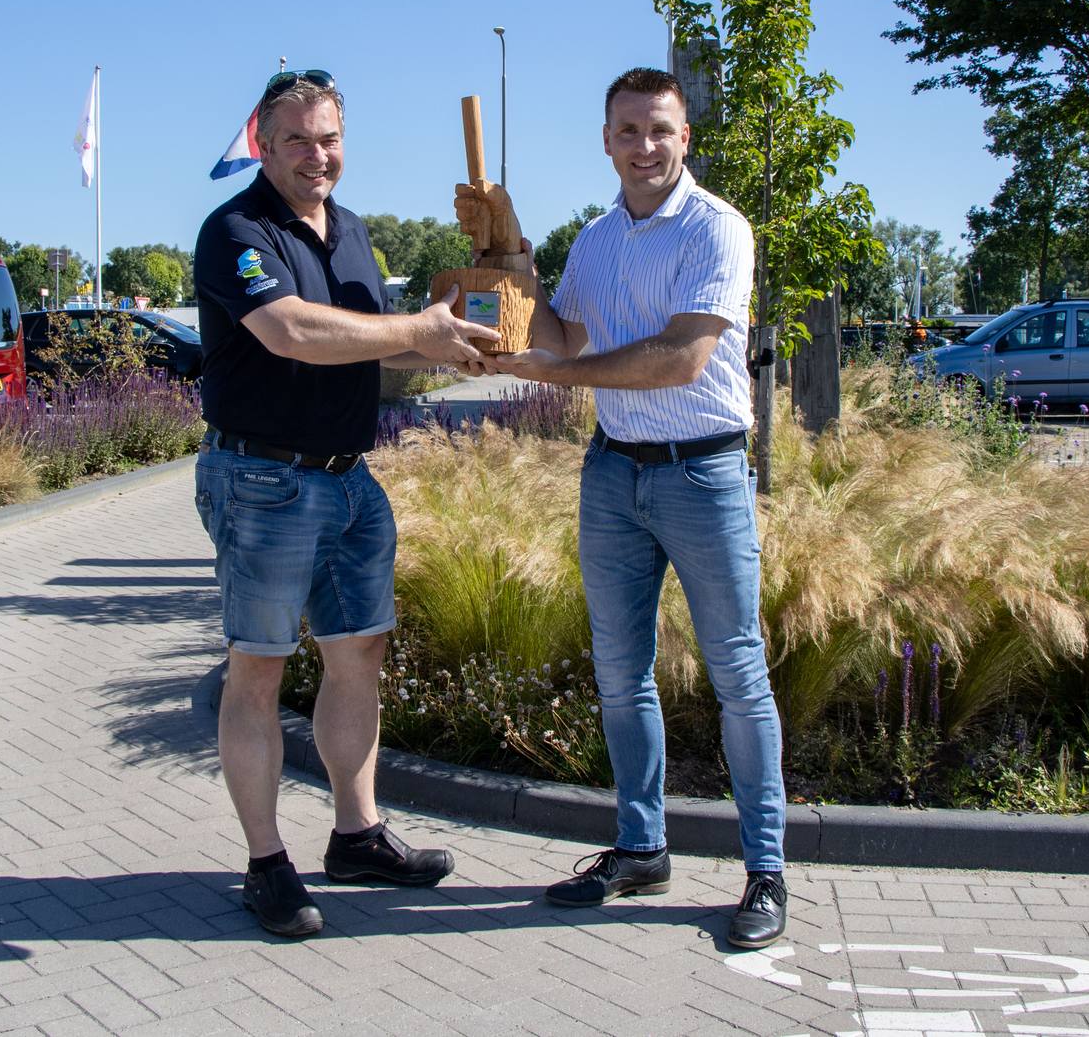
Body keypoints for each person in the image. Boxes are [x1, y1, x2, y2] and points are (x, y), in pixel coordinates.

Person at [487, 66, 789, 949]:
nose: (644, 146)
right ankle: (641, 845)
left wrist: (555, 375)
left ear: (684, 136)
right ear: (607, 141)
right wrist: (512, 264)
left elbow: (678, 359)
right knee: (620, 672)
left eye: (660, 129)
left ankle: (765, 868)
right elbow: (557, 333)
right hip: (613, 474)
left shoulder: (718, 229)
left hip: (703, 474)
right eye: (628, 130)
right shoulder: (595, 240)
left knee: (738, 673)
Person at [193, 69, 496, 937]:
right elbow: (289, 331)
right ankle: (265, 862)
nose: (317, 156)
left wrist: (455, 346)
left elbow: (371, 348)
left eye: (329, 138)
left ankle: (357, 834)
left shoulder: (353, 229)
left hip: (351, 479)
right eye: (297, 139)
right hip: (264, 480)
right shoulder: (236, 232)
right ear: (262, 141)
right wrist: (414, 331)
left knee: (358, 654)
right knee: (258, 669)